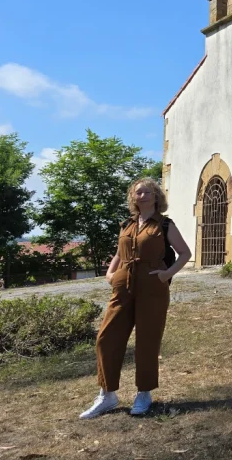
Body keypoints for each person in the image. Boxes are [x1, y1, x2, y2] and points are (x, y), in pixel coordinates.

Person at [79, 177, 192, 419]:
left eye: (148, 192)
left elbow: (185, 253)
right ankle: (107, 395)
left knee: (147, 340)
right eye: (138, 192)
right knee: (106, 337)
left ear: (156, 197)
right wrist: (111, 273)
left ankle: (144, 393)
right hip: (122, 286)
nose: (142, 196)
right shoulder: (127, 224)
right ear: (133, 198)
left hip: (152, 287)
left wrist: (166, 274)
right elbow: (120, 252)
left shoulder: (164, 225)